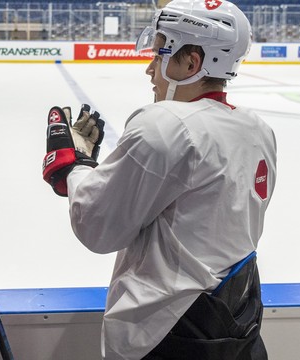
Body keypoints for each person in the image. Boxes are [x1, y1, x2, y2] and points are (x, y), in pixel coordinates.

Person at [42, 0, 277, 359]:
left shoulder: (165, 126)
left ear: (192, 63)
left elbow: (97, 227)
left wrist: (74, 167)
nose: (150, 69)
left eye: (161, 52)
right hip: (238, 325)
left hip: (167, 335)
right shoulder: (259, 130)